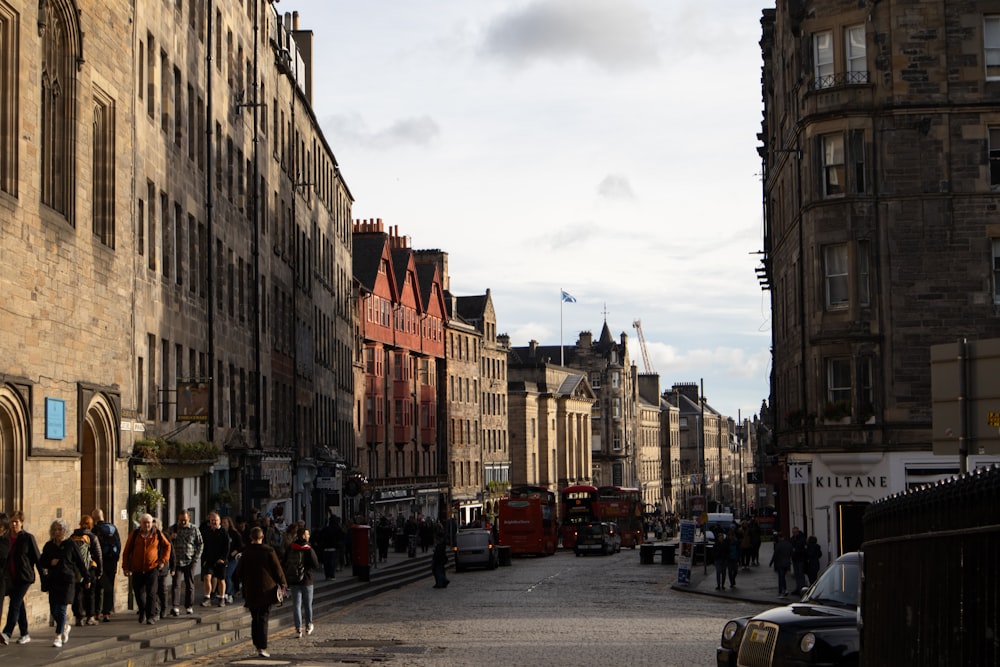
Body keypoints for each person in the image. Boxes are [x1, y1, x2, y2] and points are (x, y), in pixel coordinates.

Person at [234, 526, 287, 658]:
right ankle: (262, 647)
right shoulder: (269, 551)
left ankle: (256, 643)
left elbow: (239, 572)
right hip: (266, 589)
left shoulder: (246, 552)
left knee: (254, 617)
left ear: (251, 537)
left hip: (251, 590)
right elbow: (277, 570)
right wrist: (283, 584)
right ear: (262, 537)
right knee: (263, 617)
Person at [39, 519, 92, 648]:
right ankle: (65, 627)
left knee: (62, 608)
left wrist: (87, 578)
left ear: (65, 530)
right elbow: (41, 562)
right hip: (53, 581)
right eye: (55, 529)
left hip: (67, 581)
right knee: (54, 609)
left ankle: (58, 635)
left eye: (60, 529)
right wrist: (50, 562)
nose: (57, 532)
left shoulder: (71, 544)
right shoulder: (49, 546)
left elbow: (80, 562)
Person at [121, 513, 171, 624]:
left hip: (152, 568)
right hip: (137, 569)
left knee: (151, 593)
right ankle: (142, 610)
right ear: (141, 523)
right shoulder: (134, 534)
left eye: (149, 522)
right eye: (145, 523)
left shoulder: (157, 533)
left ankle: (150, 616)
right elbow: (126, 551)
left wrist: (162, 560)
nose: (147, 525)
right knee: (138, 593)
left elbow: (167, 546)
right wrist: (125, 567)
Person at [1, 510, 41, 645]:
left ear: (22, 523)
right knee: (19, 604)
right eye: (11, 522)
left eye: (16, 522)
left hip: (25, 577)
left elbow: (37, 558)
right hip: (11, 578)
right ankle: (25, 633)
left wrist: (45, 578)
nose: (13, 524)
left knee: (14, 604)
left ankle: (7, 632)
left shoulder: (27, 538)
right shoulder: (5, 538)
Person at [283, 524, 320, 638]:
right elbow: (316, 564)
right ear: (304, 535)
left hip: (294, 580)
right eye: (308, 534)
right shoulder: (308, 549)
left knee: (296, 606)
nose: (309, 536)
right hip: (307, 580)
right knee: (307, 605)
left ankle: (298, 629)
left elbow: (285, 562)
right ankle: (308, 626)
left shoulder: (291, 547)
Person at [69, 515, 103, 626]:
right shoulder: (92, 537)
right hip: (89, 568)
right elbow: (98, 555)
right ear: (91, 524)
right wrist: (100, 570)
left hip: (76, 569)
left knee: (77, 593)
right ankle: (90, 617)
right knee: (90, 593)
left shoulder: (73, 536)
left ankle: (79, 617)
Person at [168, 510, 203, 615]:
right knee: (176, 584)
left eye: (185, 520)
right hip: (177, 560)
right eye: (181, 520)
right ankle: (175, 606)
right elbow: (165, 542)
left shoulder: (194, 529)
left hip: (190, 560)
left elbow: (200, 543)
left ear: (189, 519)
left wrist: (196, 557)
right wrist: (170, 538)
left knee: (190, 584)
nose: (183, 522)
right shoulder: (173, 528)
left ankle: (189, 606)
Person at [92, 509, 121, 622]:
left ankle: (97, 612)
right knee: (110, 586)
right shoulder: (113, 528)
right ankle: (107, 613)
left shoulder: (94, 530)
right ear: (103, 516)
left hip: (100, 562)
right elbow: (118, 544)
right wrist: (116, 558)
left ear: (94, 518)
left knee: (98, 588)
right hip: (112, 561)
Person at [200, 511, 230, 607]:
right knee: (207, 577)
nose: (214, 522)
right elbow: (204, 547)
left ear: (219, 521)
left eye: (216, 520)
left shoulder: (224, 533)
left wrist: (223, 558)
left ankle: (222, 598)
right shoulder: (207, 533)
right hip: (209, 560)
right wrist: (203, 560)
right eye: (212, 520)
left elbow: (227, 547)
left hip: (220, 561)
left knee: (221, 579)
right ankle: (207, 597)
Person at [221, 516, 244, 604]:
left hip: (232, 559)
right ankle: (224, 593)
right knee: (223, 576)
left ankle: (229, 593)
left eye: (225, 523)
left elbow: (241, 545)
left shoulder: (234, 533)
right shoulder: (221, 533)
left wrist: (236, 551)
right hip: (224, 558)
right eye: (222, 523)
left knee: (228, 575)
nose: (223, 525)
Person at [769, 531, 793, 597]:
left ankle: (781, 591)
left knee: (781, 577)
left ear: (779, 538)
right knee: (783, 577)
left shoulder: (778, 545)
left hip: (780, 563)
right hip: (787, 562)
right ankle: (785, 589)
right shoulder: (789, 544)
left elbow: (775, 554)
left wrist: (771, 562)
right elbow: (791, 553)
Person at [790, 526, 807, 591]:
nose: (793, 533)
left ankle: (801, 587)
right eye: (793, 532)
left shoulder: (802, 538)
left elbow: (803, 548)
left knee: (800, 573)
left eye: (795, 532)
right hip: (795, 558)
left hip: (800, 558)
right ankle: (798, 587)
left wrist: (796, 550)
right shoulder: (792, 539)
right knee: (796, 573)